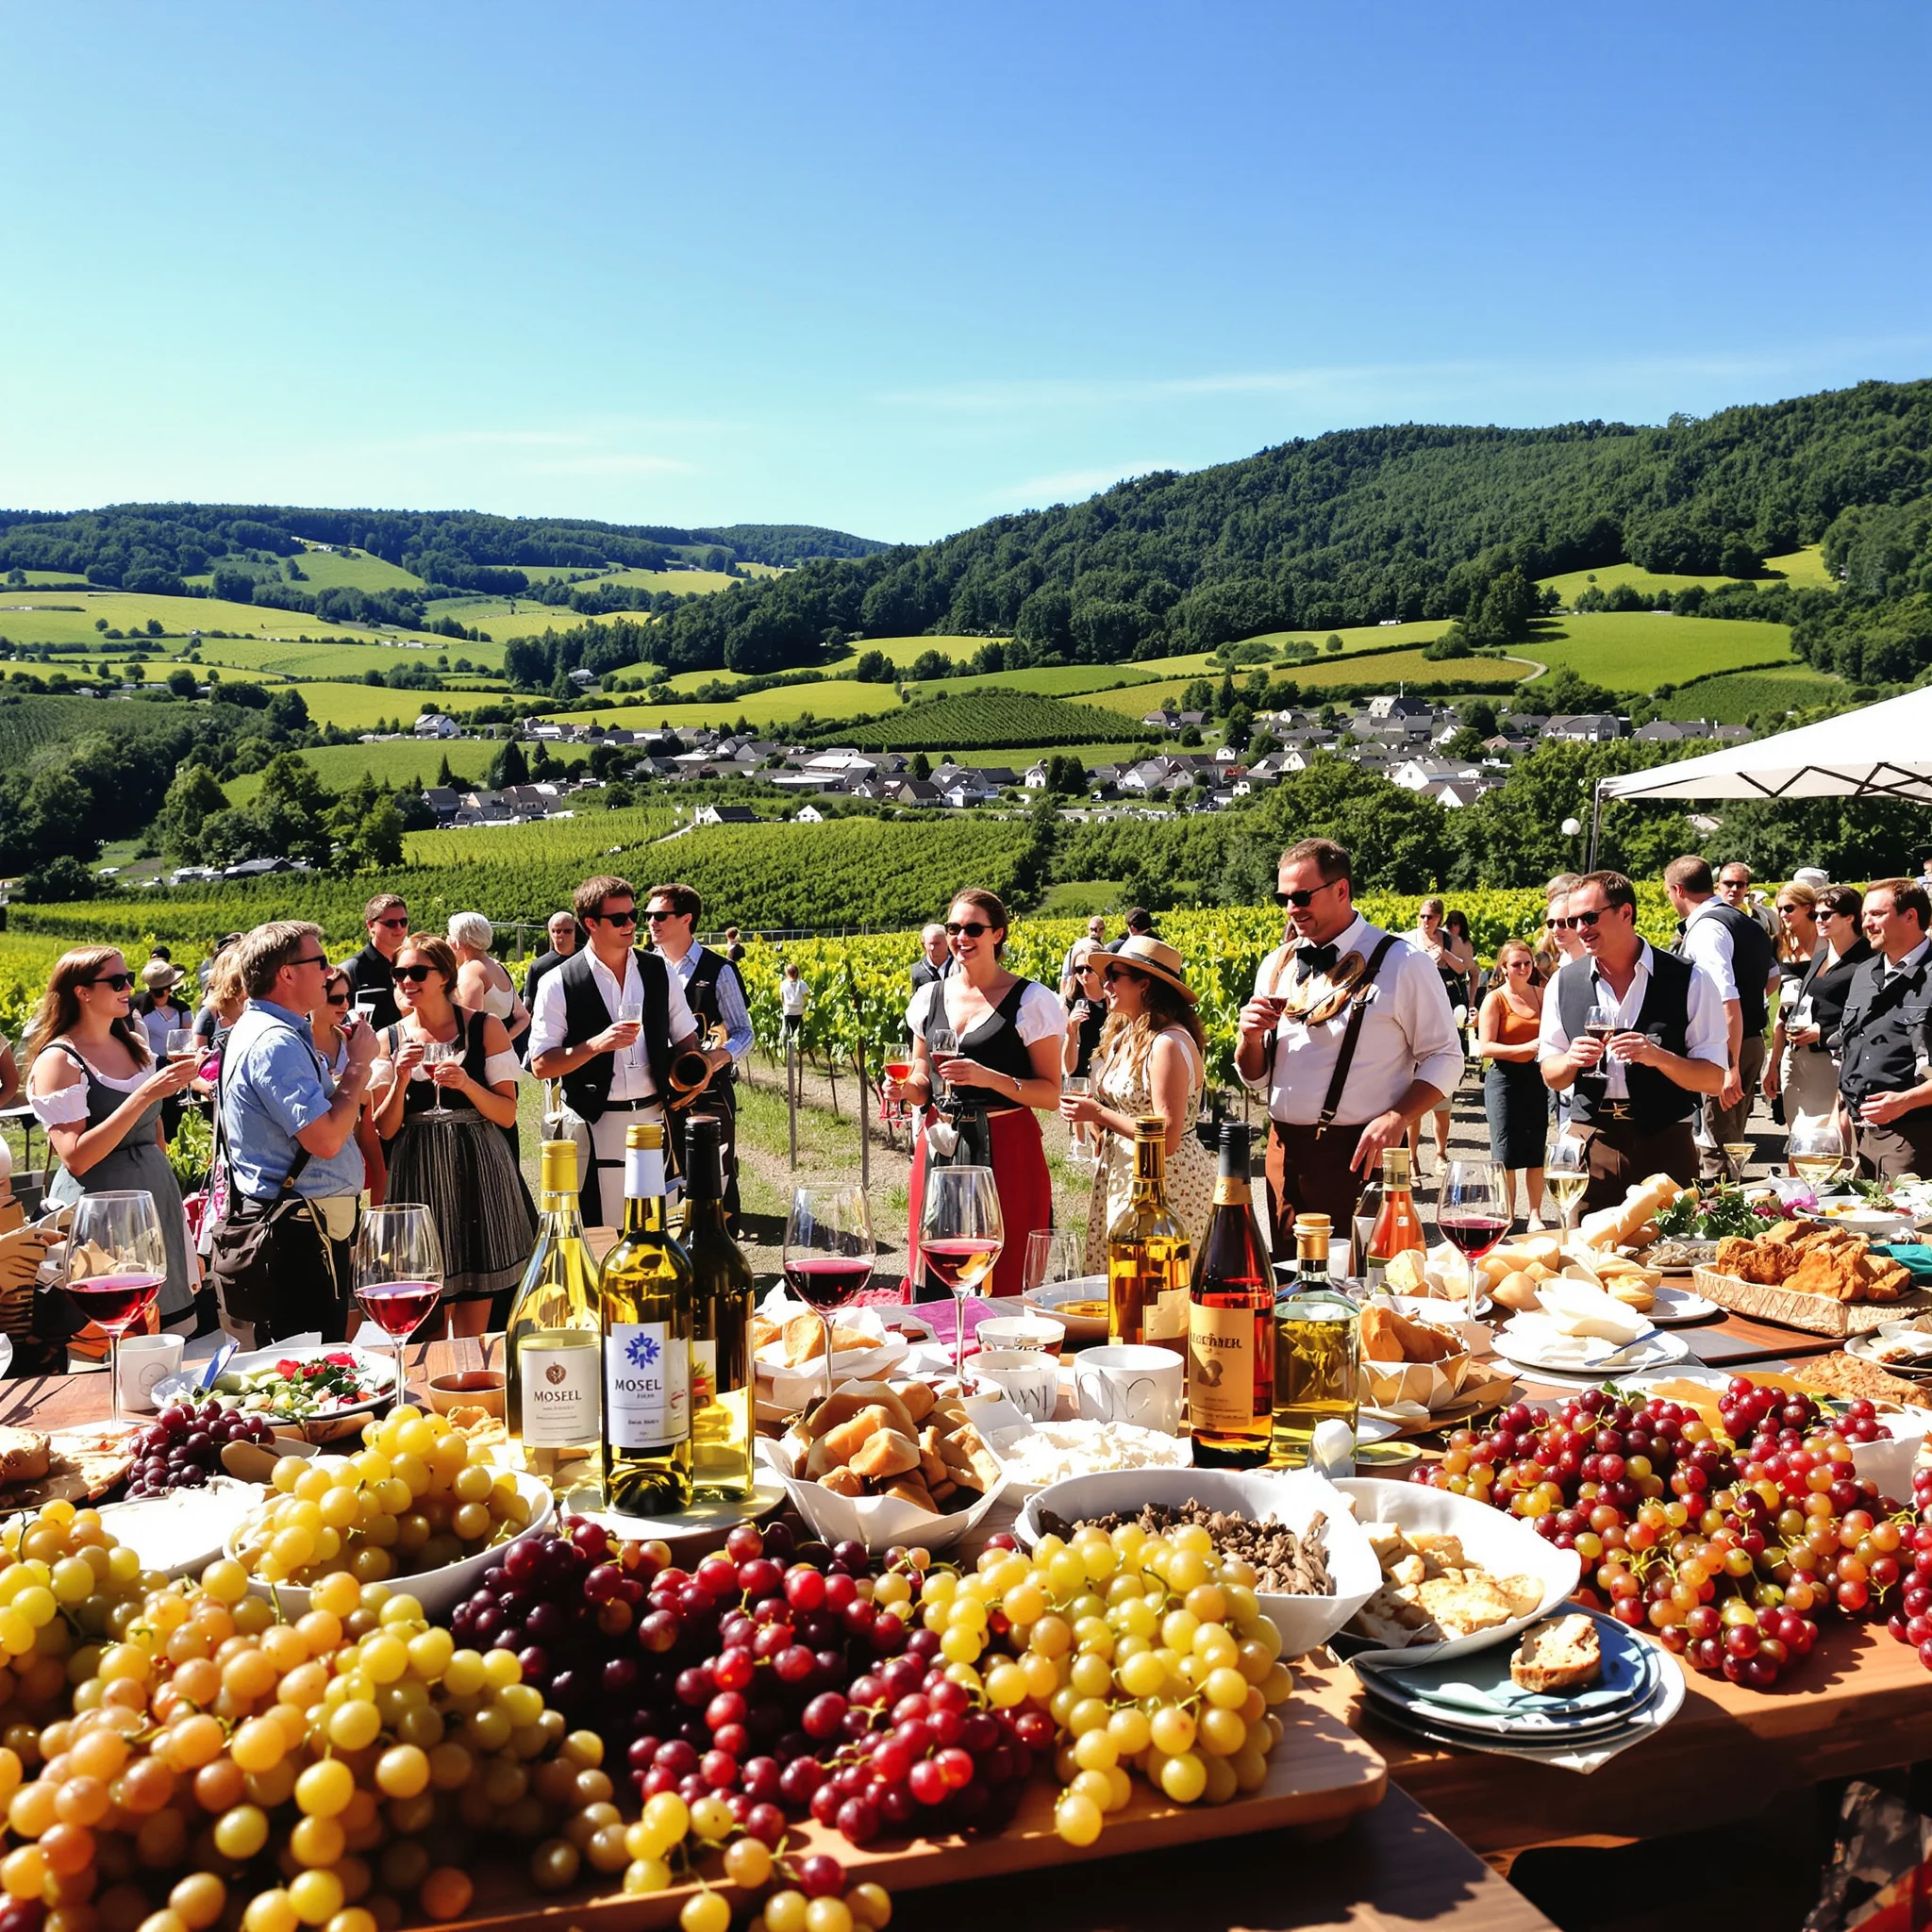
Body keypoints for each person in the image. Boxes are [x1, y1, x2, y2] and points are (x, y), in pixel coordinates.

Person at [1235, 839, 1463, 1256]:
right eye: (1283, 898)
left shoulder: (1402, 962)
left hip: (1360, 1156)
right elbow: (1258, 1077)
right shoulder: (1276, 964)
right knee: (1292, 1290)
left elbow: (1446, 1057)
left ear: (1341, 890)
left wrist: (1398, 1116)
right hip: (1283, 1152)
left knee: (1363, 1286)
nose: (1291, 909)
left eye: (1302, 896)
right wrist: (1248, 1040)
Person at [890, 889, 1066, 1300]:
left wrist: (989, 1078)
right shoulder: (929, 997)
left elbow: (1051, 1094)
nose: (961, 937)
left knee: (1004, 1272)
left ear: (997, 934)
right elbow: (921, 1078)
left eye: (973, 928)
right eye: (954, 928)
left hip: (1008, 1147)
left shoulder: (1032, 1001)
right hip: (940, 1145)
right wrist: (906, 1089)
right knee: (937, 1259)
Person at [217, 922, 378, 1343]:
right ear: (286, 973)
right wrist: (359, 1065)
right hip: (298, 1235)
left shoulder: (267, 1031)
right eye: (320, 962)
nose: (329, 972)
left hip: (302, 1225)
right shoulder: (276, 1043)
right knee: (309, 1368)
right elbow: (324, 1140)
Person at [527, 875, 721, 1224]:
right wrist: (595, 1045)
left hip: (652, 1118)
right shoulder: (557, 981)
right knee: (599, 1231)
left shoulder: (658, 970)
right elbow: (541, 1065)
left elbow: (686, 1040)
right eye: (619, 919)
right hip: (592, 1122)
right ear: (590, 924)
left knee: (655, 1227)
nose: (632, 924)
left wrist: (695, 1067)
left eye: (632, 915)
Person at [25, 947, 200, 1329]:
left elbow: (154, 1132)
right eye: (117, 981)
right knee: (114, 1334)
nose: (129, 988)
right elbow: (76, 1157)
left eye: (129, 978)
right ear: (82, 992)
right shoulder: (59, 1061)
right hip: (103, 1216)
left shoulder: (133, 1044)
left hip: (153, 1203)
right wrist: (143, 1096)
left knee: (167, 1332)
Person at [370, 935, 534, 1335]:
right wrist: (401, 1078)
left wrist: (467, 1085)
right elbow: (385, 1127)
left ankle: (473, 1387)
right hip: (417, 1172)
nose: (407, 981)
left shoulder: (485, 1028)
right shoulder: (387, 1039)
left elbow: (507, 1115)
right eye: (400, 973)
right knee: (422, 1305)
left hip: (479, 1166)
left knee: (478, 1307)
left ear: (444, 975)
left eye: (417, 972)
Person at [1539, 871, 1727, 1210]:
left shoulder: (1690, 979)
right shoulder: (1562, 983)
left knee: (1671, 1257)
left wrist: (1658, 1057)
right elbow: (1550, 1073)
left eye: (1590, 917)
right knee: (1588, 1256)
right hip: (1590, 1144)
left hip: (1665, 1143)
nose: (1581, 929)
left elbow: (1713, 1079)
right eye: (1573, 920)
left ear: (1626, 913)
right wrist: (1569, 1061)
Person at [1060, 938, 1213, 1274]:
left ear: (1145, 983)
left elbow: (1167, 1138)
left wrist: (1097, 1114)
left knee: (1153, 1286)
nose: (1106, 984)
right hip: (1127, 1170)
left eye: (1115, 975)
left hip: (1166, 1183)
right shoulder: (1125, 1034)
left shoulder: (1167, 1044)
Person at [645, 882, 752, 1224]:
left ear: (686, 919)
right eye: (647, 916)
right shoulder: (641, 968)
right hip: (654, 1094)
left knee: (715, 1180)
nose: (651, 922)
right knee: (659, 1183)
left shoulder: (719, 970)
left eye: (660, 915)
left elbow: (745, 1033)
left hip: (709, 1094)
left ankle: (721, 1265)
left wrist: (713, 1061)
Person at [1666, 856, 1778, 1179]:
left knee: (1716, 1148)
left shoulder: (1707, 930)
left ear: (1677, 890)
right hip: (1750, 1039)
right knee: (1733, 1143)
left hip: (1725, 1047)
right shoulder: (1747, 923)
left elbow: (1726, 1000)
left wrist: (1727, 1065)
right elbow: (1771, 978)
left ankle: (1722, 1218)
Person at [1835, 879, 1932, 1179]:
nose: (1867, 924)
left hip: (1915, 1134)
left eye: (1877, 914)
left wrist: (1904, 1101)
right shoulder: (1865, 972)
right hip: (1859, 1136)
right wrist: (1838, 1108)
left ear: (1911, 916)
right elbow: (1851, 1047)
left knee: (1910, 1225)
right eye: (1865, 915)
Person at [1773, 886, 1872, 1137]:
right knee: (1797, 1139)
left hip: (1831, 1062)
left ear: (1850, 916)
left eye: (1826, 915)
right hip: (1796, 1058)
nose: (1819, 920)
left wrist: (1825, 1030)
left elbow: (1872, 1015)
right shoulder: (1820, 957)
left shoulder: (1867, 960)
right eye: (1816, 914)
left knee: (1822, 1140)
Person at [1477, 940, 1546, 1224]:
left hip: (1536, 1077)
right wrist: (1525, 1048)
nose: (1523, 968)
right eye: (1516, 964)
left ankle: (1535, 1214)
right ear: (1504, 968)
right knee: (1505, 1149)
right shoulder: (1495, 999)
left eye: (1527, 963)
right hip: (1504, 1078)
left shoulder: (1543, 995)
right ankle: (1508, 1214)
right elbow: (1485, 1047)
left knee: (1535, 1149)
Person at [1404, 898, 1474, 1176]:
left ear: (1440, 918)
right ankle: (1411, 1157)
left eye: (1430, 916)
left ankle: (1440, 1153)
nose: (1425, 921)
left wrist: (1443, 953)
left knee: (1442, 1090)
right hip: (1417, 1015)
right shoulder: (1408, 939)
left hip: (1446, 1012)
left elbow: (1464, 968)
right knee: (1412, 1090)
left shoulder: (1450, 940)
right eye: (1421, 916)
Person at [312, 966, 387, 1209]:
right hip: (318, 1144)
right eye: (335, 998)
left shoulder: (349, 1038)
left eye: (347, 996)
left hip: (355, 1135)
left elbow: (368, 1096)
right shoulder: (298, 1042)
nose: (344, 1004)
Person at [448, 913, 530, 1059]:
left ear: (457, 943)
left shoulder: (471, 972)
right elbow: (523, 1017)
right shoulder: (498, 967)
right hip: (502, 1058)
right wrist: (504, 1039)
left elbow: (470, 1029)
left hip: (481, 1063)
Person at [136, 958, 197, 1143]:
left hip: (172, 1064)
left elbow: (187, 1037)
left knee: (174, 1115)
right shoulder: (137, 1009)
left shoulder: (181, 1009)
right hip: (149, 1067)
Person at [342, 892, 410, 1031]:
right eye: (391, 923)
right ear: (371, 926)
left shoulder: (412, 964)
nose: (399, 928)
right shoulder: (352, 969)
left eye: (403, 922)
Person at [1061, 941, 1108, 1079]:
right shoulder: (1070, 1003)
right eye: (1079, 970)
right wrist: (1072, 1031)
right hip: (1082, 1078)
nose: (1084, 974)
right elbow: (1068, 1069)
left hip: (1108, 1074)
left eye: (1089, 968)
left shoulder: (1114, 999)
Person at [521, 911, 580, 1015]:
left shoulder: (586, 957)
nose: (560, 936)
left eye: (567, 931)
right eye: (556, 931)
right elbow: (529, 1004)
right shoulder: (539, 966)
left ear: (575, 932)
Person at [1059, 916, 1108, 999]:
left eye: (1100, 929)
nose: (1096, 933)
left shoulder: (1104, 950)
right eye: (1093, 929)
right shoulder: (1076, 949)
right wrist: (1064, 999)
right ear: (1088, 930)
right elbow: (1065, 978)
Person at [910, 924, 950, 994]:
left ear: (948, 942)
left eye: (937, 944)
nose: (932, 948)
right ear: (923, 945)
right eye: (930, 944)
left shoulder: (960, 967)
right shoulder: (917, 971)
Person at [779, 962, 808, 1042]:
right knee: (798, 1034)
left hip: (788, 1012)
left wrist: (784, 1007)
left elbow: (782, 997)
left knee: (788, 1034)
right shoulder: (802, 984)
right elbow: (806, 996)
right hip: (800, 1012)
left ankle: (789, 1051)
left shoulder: (783, 984)